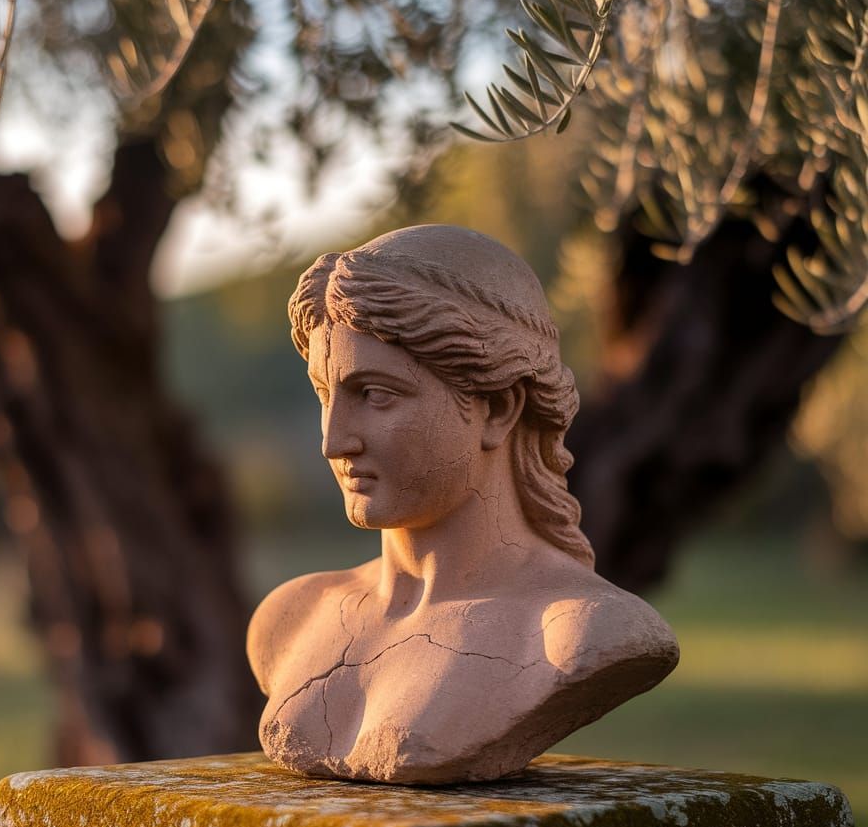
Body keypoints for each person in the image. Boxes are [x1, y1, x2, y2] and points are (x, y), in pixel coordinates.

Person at [247, 225, 678, 783]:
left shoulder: (578, 634)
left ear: (498, 409)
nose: (335, 441)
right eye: (325, 394)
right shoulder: (292, 617)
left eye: (375, 394)